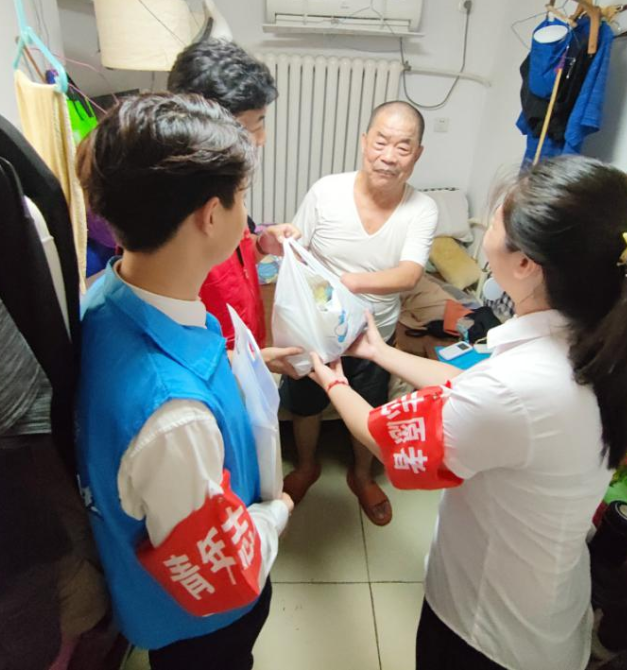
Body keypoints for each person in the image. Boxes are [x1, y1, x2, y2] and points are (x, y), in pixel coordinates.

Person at [308, 156, 627, 670]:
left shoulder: (522, 387)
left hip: (487, 635)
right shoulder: (589, 342)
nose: (487, 231)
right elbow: (473, 389)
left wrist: (329, 375)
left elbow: (388, 439)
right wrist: (379, 351)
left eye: (496, 221)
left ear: (525, 263)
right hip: (545, 605)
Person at [74, 93, 294, 670]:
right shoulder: (172, 418)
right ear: (210, 215)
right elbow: (222, 571)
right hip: (201, 624)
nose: (247, 213)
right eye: (242, 196)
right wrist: (276, 512)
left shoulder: (106, 293)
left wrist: (253, 364)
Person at [280, 100, 438, 527]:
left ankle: (362, 475)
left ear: (417, 154)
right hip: (317, 330)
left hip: (373, 337)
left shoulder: (422, 208)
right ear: (364, 142)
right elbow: (296, 250)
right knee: (306, 404)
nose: (389, 156)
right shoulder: (326, 191)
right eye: (381, 142)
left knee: (370, 409)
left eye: (403, 147)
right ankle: (307, 466)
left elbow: (409, 274)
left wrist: (348, 284)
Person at [168, 40, 300, 355]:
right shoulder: (170, 218)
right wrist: (244, 363)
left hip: (246, 347)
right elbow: (175, 350)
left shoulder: (227, 183)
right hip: (219, 367)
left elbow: (229, 263)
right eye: (248, 129)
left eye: (262, 122)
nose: (261, 139)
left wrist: (261, 246)